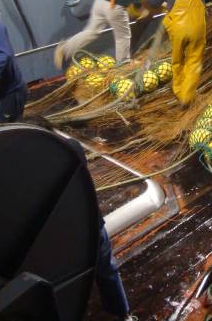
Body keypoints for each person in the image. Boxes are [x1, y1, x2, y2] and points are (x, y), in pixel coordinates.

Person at [63, 137, 135, 320]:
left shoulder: (29, 166)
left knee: (71, 279)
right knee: (107, 270)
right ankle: (122, 313)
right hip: (89, 221)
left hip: (68, 229)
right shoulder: (72, 147)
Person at [147, 0, 212, 105]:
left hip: (177, 28)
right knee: (194, 60)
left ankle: (178, 90)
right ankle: (187, 96)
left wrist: (166, 2)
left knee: (177, 61)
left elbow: (152, 2)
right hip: (197, 26)